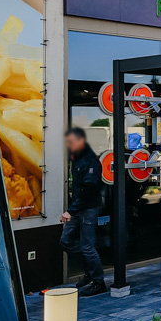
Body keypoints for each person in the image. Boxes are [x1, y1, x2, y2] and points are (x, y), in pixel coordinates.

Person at [59, 127, 107, 296]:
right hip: (77, 207)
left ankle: (99, 282)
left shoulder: (91, 160)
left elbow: (89, 188)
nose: (68, 145)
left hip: (88, 209)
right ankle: (90, 272)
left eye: (71, 142)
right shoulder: (77, 158)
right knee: (65, 241)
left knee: (87, 246)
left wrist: (70, 211)